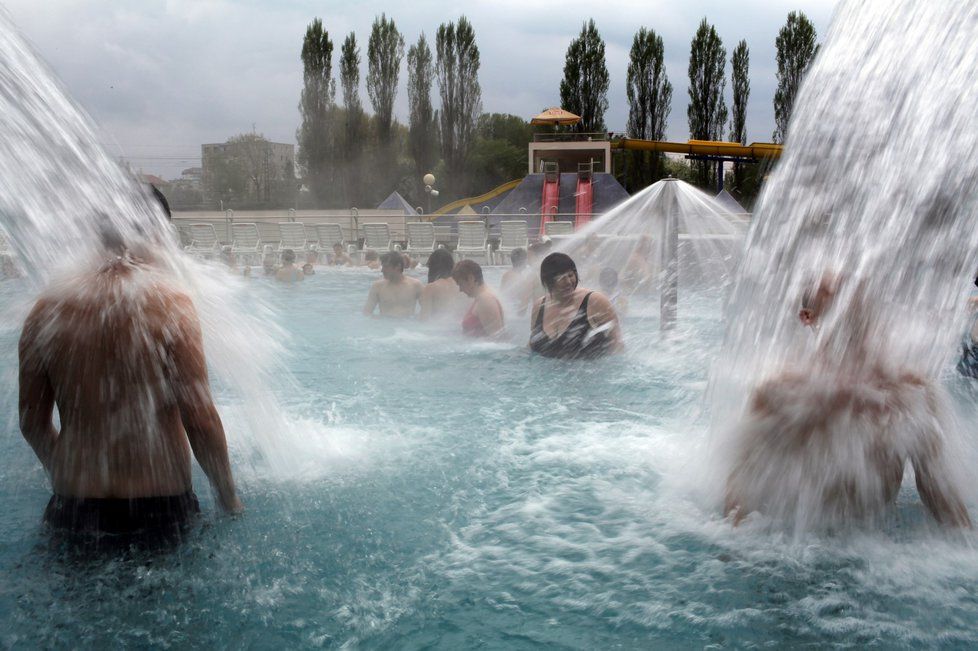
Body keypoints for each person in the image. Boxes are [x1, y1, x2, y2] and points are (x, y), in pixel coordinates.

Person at [19, 221, 242, 543]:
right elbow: (200, 418)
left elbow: (31, 422)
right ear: (153, 237)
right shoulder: (170, 304)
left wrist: (66, 471)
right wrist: (228, 497)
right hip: (159, 505)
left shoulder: (45, 311)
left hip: (74, 508)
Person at [724, 273, 971, 529]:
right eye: (834, 293)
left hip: (875, 550)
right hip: (803, 545)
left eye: (855, 294)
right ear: (807, 317)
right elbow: (740, 493)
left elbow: (939, 495)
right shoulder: (780, 393)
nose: (849, 298)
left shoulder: (910, 392)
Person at [529, 252, 623, 359]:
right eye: (562, 278)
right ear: (549, 281)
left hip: (589, 372)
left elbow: (618, 345)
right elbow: (532, 346)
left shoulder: (595, 301)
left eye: (571, 275)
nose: (569, 282)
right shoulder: (539, 306)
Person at [452, 259, 505, 338]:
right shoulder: (481, 299)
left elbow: (498, 340)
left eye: (461, 284)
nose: (460, 290)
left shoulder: (485, 300)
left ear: (471, 279)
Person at [362, 251, 423, 318]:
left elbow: (426, 309)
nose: (382, 270)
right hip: (385, 325)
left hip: (407, 325)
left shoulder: (415, 285)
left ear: (398, 266)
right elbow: (366, 312)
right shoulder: (377, 287)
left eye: (386, 267)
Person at [419, 248, 464, 321]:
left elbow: (424, 318)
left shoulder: (430, 288)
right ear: (451, 265)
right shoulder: (462, 285)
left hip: (438, 327)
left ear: (432, 266)